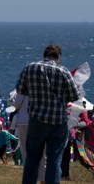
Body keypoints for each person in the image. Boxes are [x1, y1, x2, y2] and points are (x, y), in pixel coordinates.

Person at [17, 43, 80, 184]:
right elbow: (74, 95)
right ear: (58, 57)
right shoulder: (64, 71)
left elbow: (20, 90)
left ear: (44, 55)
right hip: (57, 122)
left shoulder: (29, 68)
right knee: (54, 161)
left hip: (36, 119)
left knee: (32, 158)